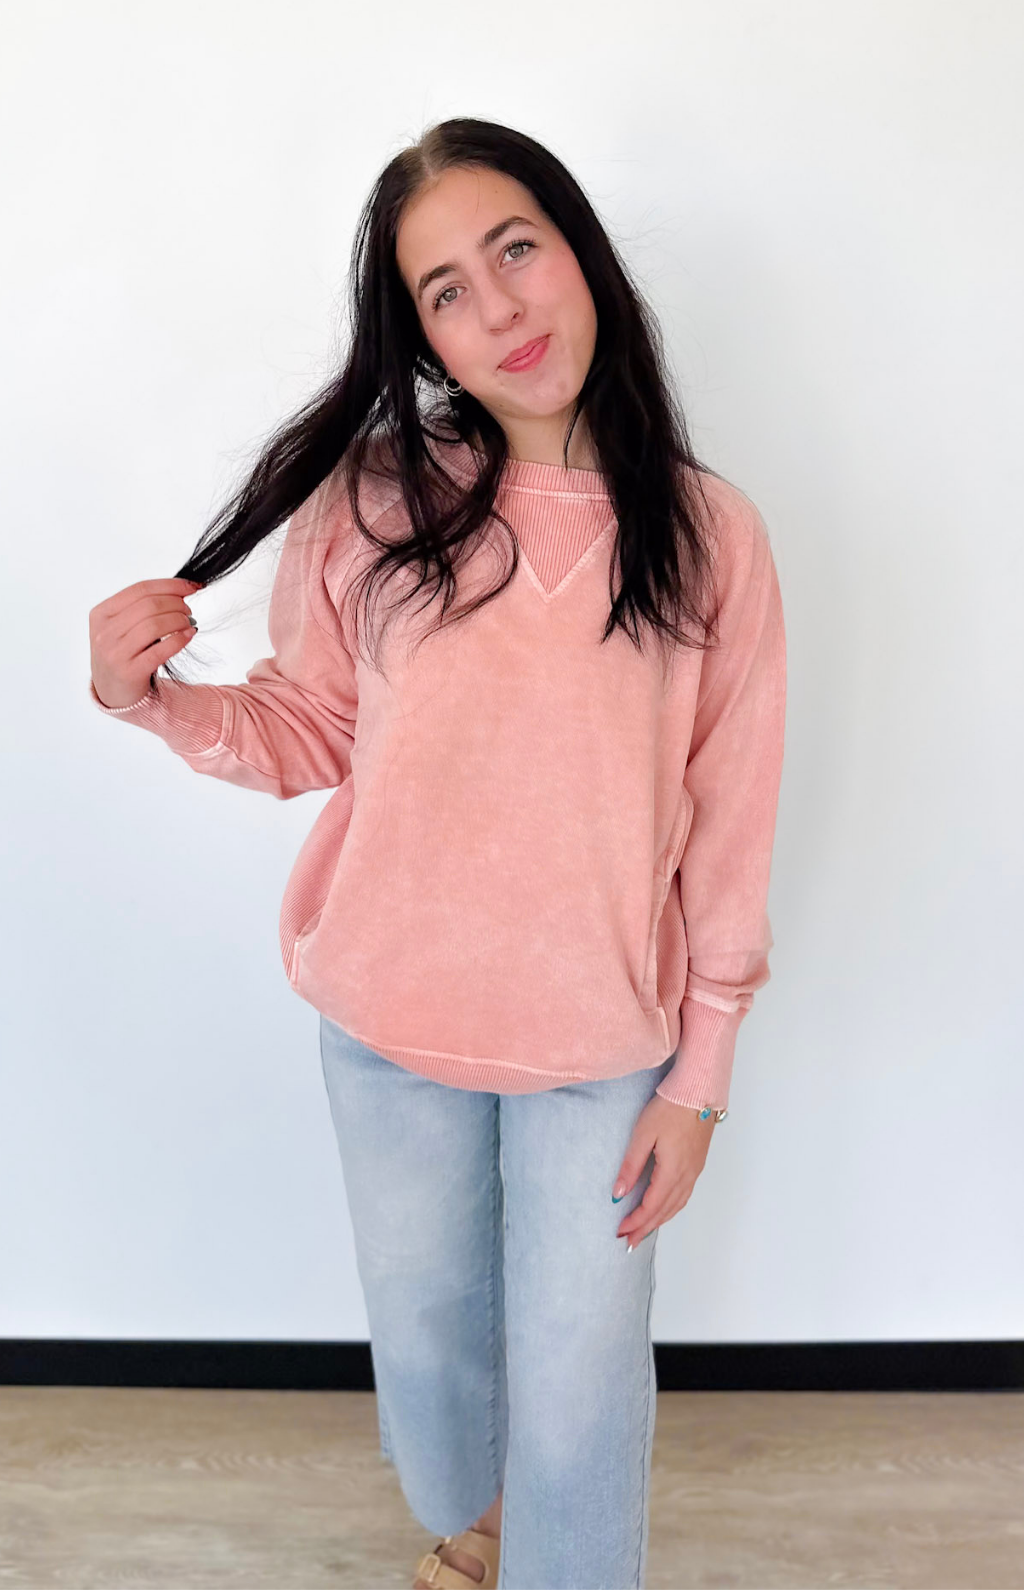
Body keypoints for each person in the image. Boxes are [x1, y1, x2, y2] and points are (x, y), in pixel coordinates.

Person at [87, 117, 786, 1590]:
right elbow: (307, 730)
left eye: (516, 249)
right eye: (447, 290)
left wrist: (702, 1078)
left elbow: (732, 819)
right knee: (430, 1351)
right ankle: (485, 1518)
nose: (501, 307)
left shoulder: (712, 535)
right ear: (421, 337)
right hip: (387, 1022)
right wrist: (149, 698)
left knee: (585, 1374)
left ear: (580, 249)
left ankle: (555, 1556)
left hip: (601, 1045)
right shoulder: (373, 504)